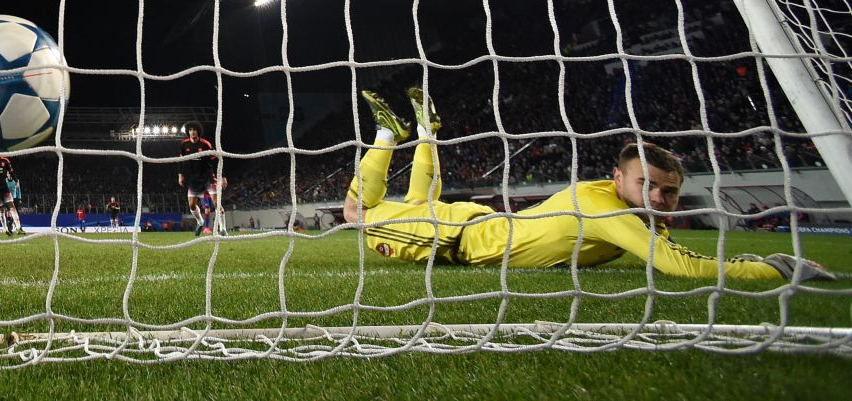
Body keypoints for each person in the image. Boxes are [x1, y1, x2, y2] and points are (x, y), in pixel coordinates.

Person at [342, 88, 836, 282]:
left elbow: (674, 252)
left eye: (668, 191)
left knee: (417, 201)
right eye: (647, 186)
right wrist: (772, 268)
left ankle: (423, 132)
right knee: (356, 214)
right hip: (460, 238)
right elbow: (676, 266)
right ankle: (393, 134)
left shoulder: (621, 205)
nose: (659, 199)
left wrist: (745, 260)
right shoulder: (606, 210)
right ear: (618, 178)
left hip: (473, 230)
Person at [177, 121, 228, 236]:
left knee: (216, 203)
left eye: (194, 130)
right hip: (194, 179)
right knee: (191, 205)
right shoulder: (183, 145)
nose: (192, 132)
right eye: (190, 130)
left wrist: (223, 176)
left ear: (198, 131)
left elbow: (217, 160)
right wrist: (180, 175)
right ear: (188, 132)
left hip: (208, 177)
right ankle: (200, 222)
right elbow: (180, 160)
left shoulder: (205, 144)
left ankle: (223, 229)